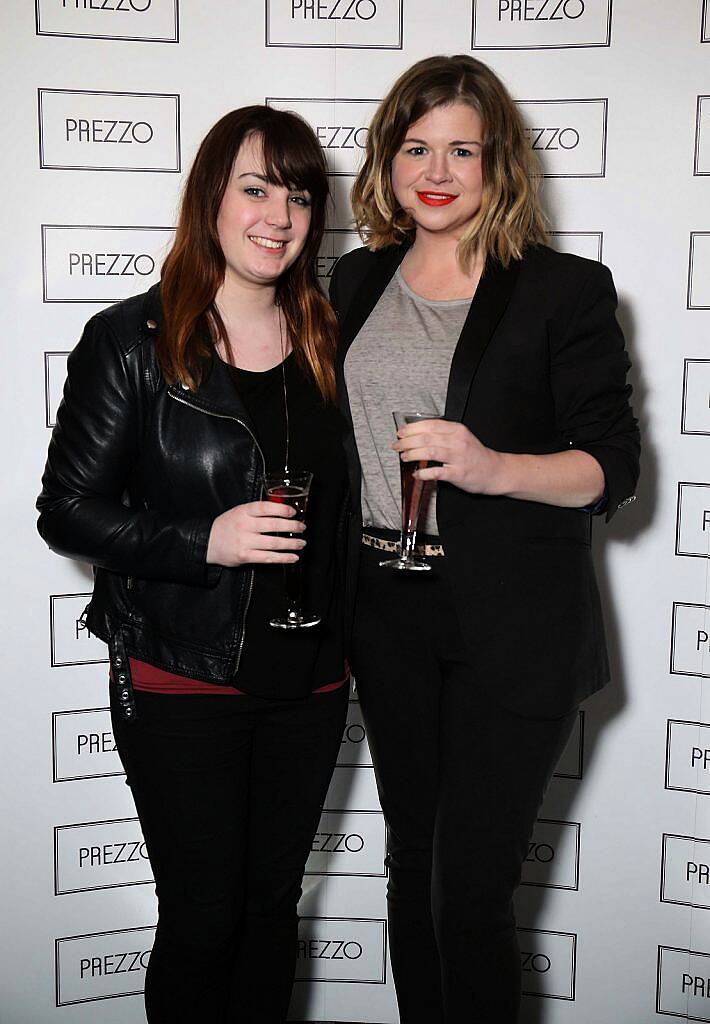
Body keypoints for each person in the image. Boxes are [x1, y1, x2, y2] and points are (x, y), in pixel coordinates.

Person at [329, 55, 640, 1023]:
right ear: (385, 161)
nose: (436, 169)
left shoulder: (562, 288)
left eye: (461, 148)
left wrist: (489, 465)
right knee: (409, 859)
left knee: (466, 888)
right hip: (384, 611)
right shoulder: (354, 276)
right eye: (414, 147)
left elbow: (609, 467)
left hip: (513, 626)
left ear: (497, 162)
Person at [37, 106, 350, 1024]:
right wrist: (201, 541)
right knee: (205, 917)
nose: (278, 215)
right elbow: (67, 512)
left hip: (313, 680)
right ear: (211, 196)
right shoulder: (131, 341)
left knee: (270, 911)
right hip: (184, 676)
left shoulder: (330, 340)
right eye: (255, 188)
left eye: (298, 195)